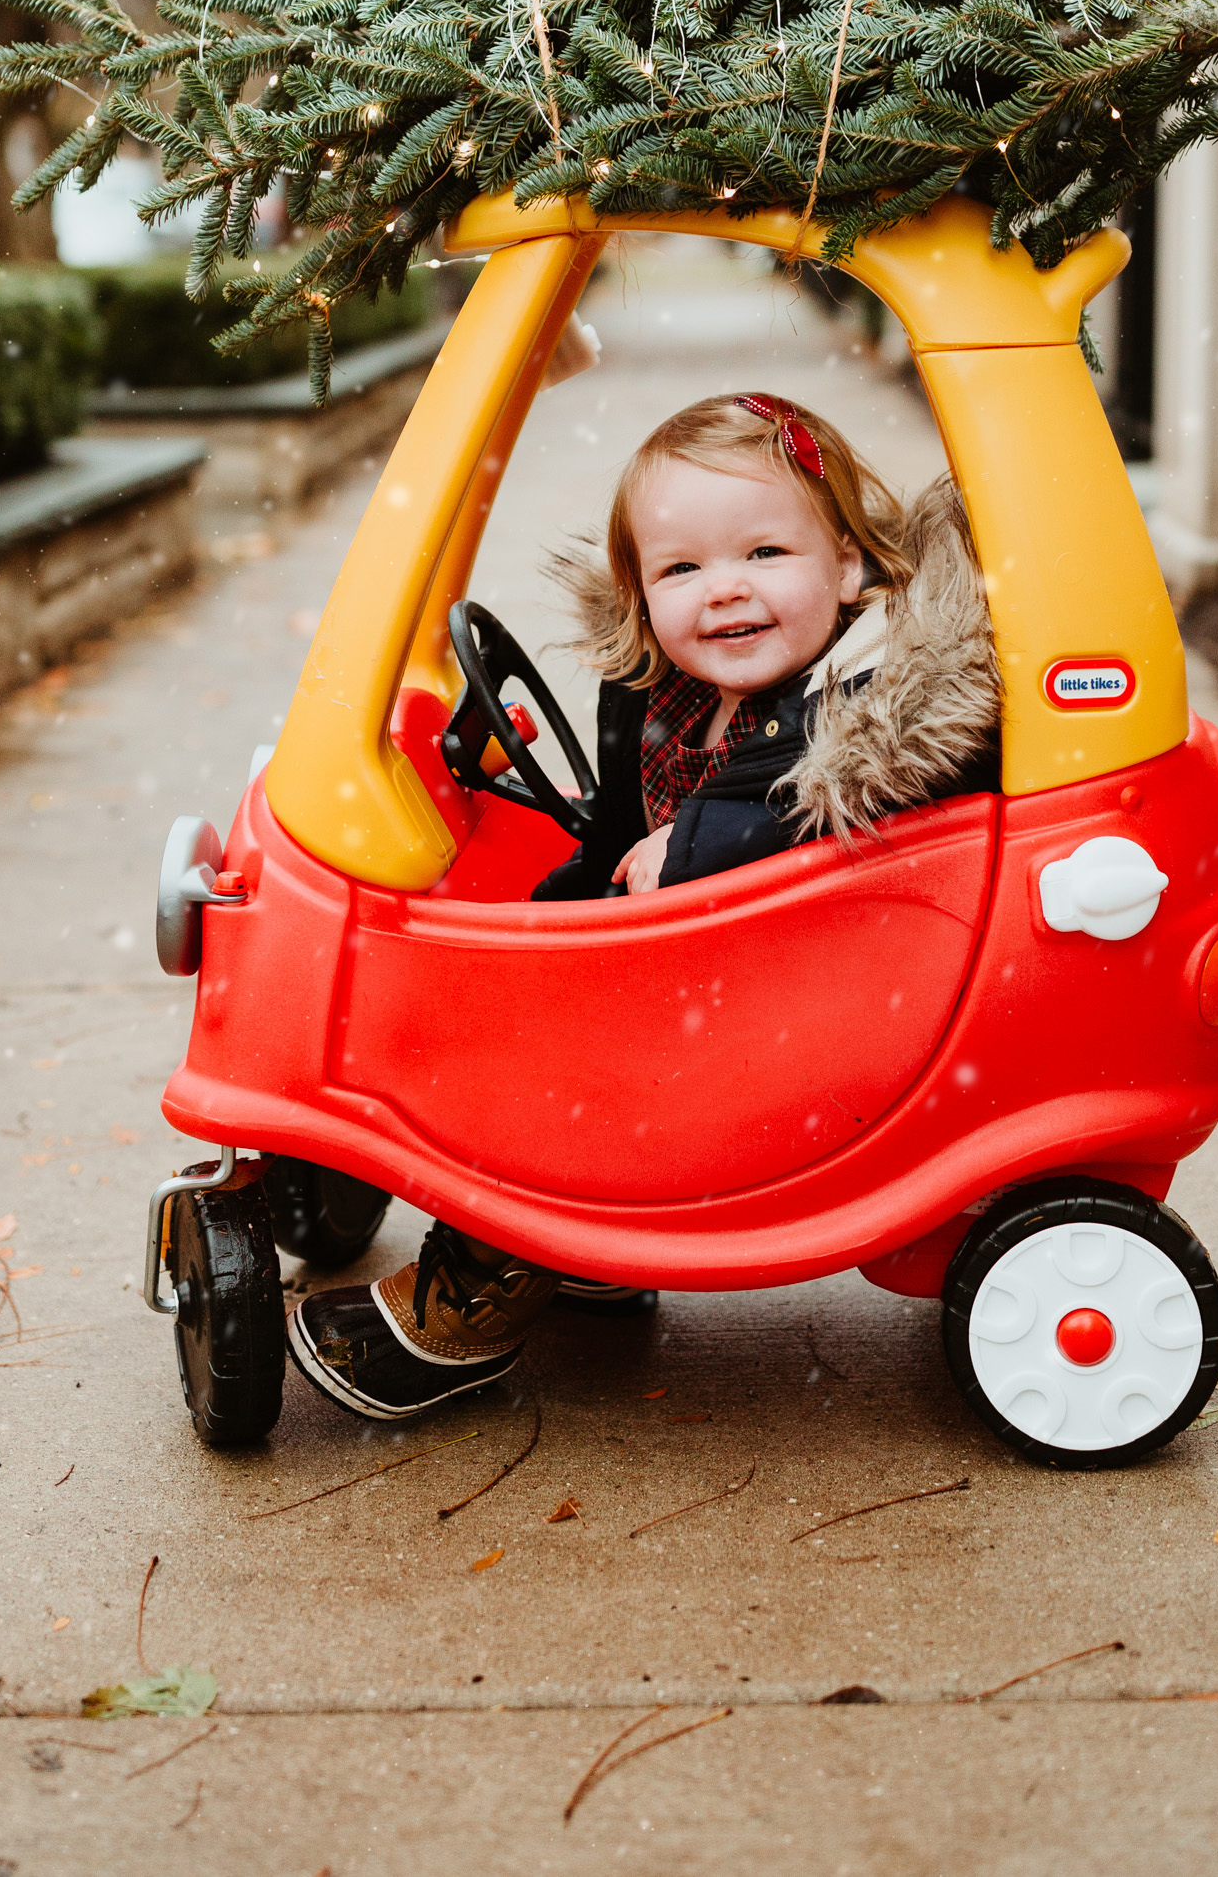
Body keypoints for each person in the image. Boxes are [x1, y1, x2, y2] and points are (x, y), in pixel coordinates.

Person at [286, 393, 1001, 1423]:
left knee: (552, 1082)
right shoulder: (667, 690)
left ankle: (474, 1302)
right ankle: (597, 1248)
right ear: (640, 592)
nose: (725, 592)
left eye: (765, 552)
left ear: (847, 567)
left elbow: (812, 803)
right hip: (717, 979)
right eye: (681, 570)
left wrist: (696, 849)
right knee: (537, 990)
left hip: (806, 1011)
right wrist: (546, 920)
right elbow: (618, 835)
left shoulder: (861, 699)